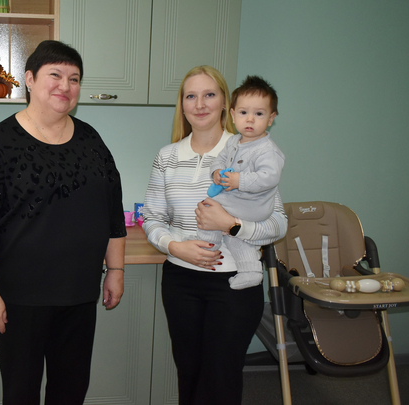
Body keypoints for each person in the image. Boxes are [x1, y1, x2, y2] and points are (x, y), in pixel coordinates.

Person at [0, 40, 127, 405]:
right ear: (30, 79)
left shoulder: (91, 140)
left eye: (74, 78)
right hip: (21, 300)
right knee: (21, 394)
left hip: (79, 294)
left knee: (71, 391)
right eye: (56, 75)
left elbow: (113, 210)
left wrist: (115, 269)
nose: (65, 86)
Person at [141, 65, 287, 405]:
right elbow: (152, 218)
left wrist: (232, 226)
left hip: (234, 284)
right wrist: (175, 246)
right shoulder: (167, 157)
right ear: (182, 105)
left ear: (226, 104)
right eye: (190, 96)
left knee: (220, 379)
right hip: (180, 281)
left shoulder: (249, 151)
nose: (200, 104)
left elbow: (279, 223)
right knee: (189, 374)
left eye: (209, 94)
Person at [198, 75, 285, 290]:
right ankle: (251, 271)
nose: (250, 120)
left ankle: (209, 247)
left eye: (259, 114)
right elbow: (219, 159)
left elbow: (270, 177)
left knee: (209, 208)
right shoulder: (233, 141)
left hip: (252, 205)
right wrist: (216, 172)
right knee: (235, 237)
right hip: (238, 203)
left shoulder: (267, 150)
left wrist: (240, 180)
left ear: (271, 118)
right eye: (244, 113)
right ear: (233, 115)